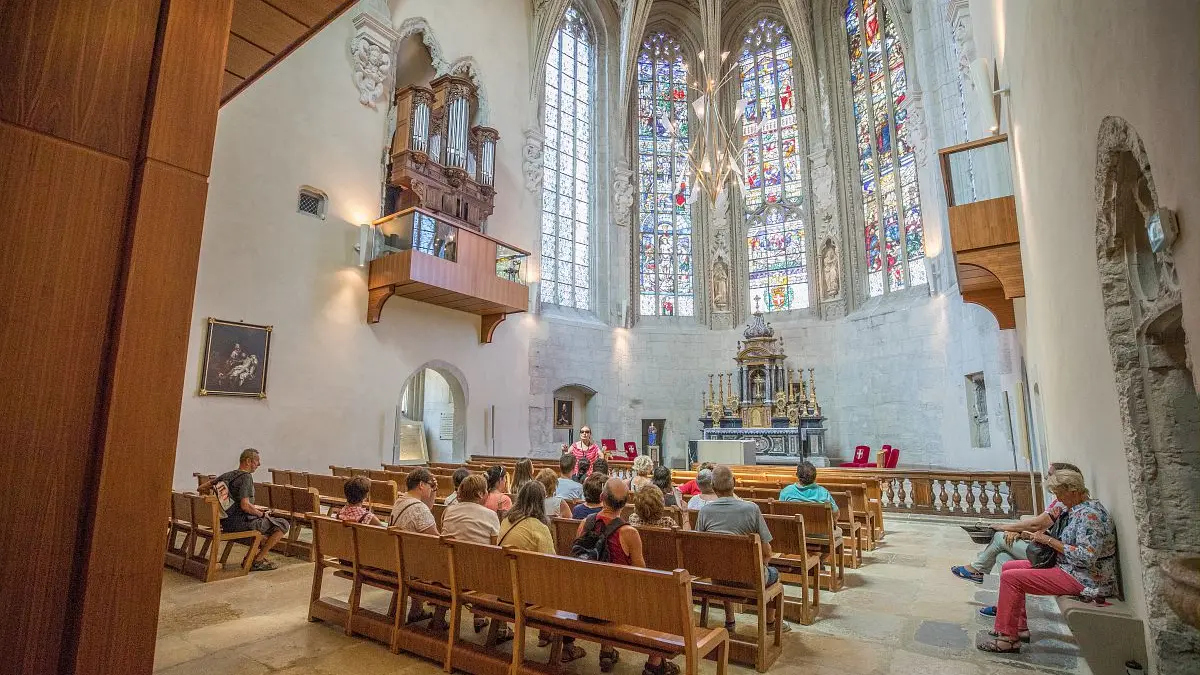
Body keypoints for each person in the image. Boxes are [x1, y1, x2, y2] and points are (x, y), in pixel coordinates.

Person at [977, 469, 1116, 654]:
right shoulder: (1077, 509)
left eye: (1059, 493)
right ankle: (1018, 628)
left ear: (1073, 490)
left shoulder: (1089, 516)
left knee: (1012, 579)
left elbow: (1086, 556)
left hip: (1084, 577)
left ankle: (1008, 639)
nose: (1057, 498)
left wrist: (1048, 541)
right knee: (1009, 567)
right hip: (1069, 567)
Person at [570, 478, 677, 675]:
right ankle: (655, 663)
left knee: (602, 583)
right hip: (617, 606)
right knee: (662, 598)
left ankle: (607, 650)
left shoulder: (585, 523)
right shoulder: (628, 533)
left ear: (602, 498)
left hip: (585, 601)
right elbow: (641, 575)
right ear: (627, 501)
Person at [952, 461, 1082, 585]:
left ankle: (976, 569)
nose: (1047, 478)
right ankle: (1006, 605)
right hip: (1048, 551)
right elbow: (1043, 529)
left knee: (999, 537)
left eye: (1050, 475)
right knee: (1002, 557)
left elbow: (1036, 525)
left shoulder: (1071, 506)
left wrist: (1004, 527)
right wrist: (1020, 532)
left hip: (1052, 557)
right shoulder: (1063, 502)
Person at [695, 466, 789, 634]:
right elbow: (767, 551)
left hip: (718, 576)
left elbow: (700, 546)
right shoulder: (750, 509)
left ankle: (730, 621)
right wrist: (761, 567)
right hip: (750, 577)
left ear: (713, 487)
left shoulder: (705, 511)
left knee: (725, 565)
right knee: (775, 574)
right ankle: (770, 623)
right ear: (735, 483)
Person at [197, 448, 289, 571]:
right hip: (241, 525)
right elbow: (245, 505)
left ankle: (251, 557)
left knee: (266, 526)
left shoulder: (227, 475)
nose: (259, 464)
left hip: (227, 524)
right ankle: (257, 560)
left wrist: (220, 503)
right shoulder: (246, 477)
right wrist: (261, 514)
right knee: (282, 524)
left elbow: (201, 488)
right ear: (248, 461)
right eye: (257, 461)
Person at [441, 475, 500, 544]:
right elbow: (495, 545)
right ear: (480, 494)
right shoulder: (491, 515)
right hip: (478, 554)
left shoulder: (448, 511)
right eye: (486, 490)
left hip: (449, 553)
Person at [499, 481, 556, 553]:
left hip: (503, 562)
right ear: (541, 502)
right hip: (526, 564)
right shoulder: (539, 528)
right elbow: (550, 559)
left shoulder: (506, 520)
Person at [389, 467, 439, 534]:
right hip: (411, 544)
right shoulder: (420, 509)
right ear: (421, 485)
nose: (431, 488)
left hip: (401, 542)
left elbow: (427, 507)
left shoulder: (400, 500)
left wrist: (434, 490)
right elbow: (436, 539)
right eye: (430, 485)